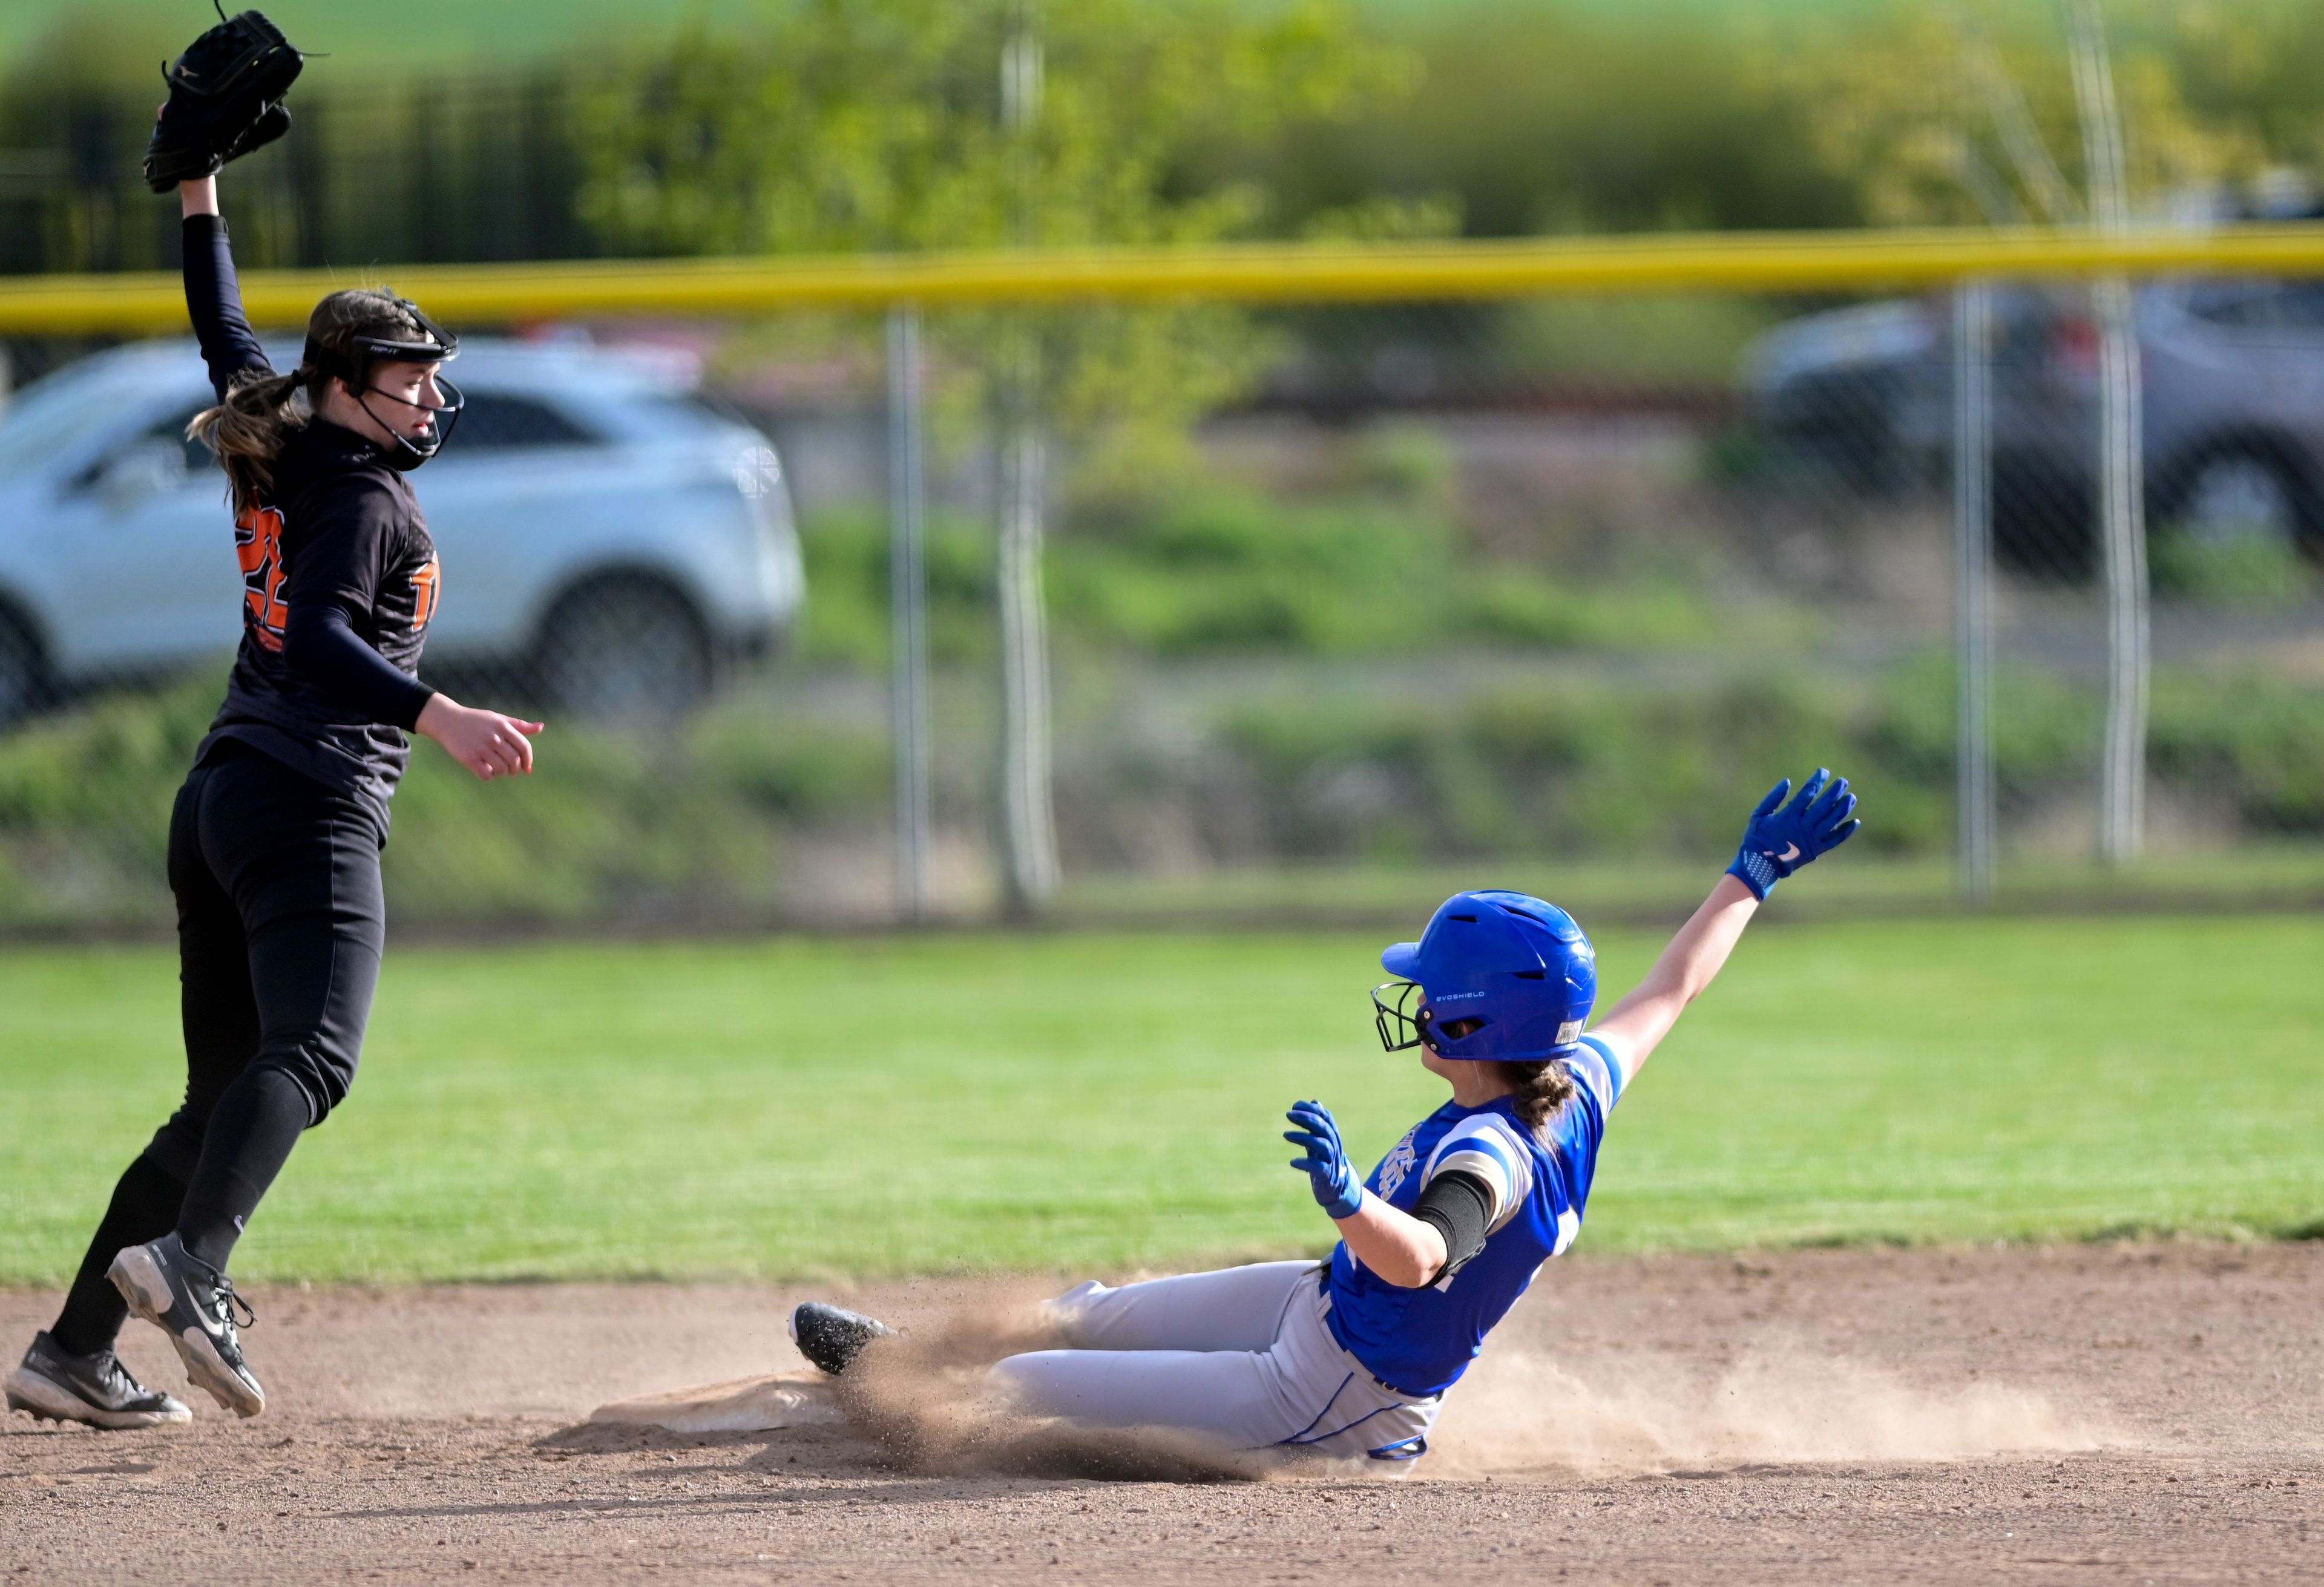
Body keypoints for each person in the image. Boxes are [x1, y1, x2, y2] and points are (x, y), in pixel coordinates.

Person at [789, 770, 1860, 1464]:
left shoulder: (1496, 1150)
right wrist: (1751, 876)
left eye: (1432, 992)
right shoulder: (1573, 1071)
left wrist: (1349, 1200)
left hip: (1342, 1392)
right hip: (1320, 1308)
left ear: (1478, 1026)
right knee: (1087, 1310)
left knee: (1023, 1387)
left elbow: (1426, 1255)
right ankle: (904, 1356)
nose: (1415, 1001)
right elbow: (1671, 989)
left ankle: (911, 1422)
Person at [4, 168, 543, 1430]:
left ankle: (75, 1352)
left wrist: (198, 191)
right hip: (308, 804)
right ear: (345, 383)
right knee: (312, 1055)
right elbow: (311, 641)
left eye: (426, 372)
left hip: (222, 799)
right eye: (403, 375)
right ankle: (194, 1268)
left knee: (219, 1098)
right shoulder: (360, 495)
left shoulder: (280, 429)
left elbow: (220, 325)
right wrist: (441, 714)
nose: (426, 394)